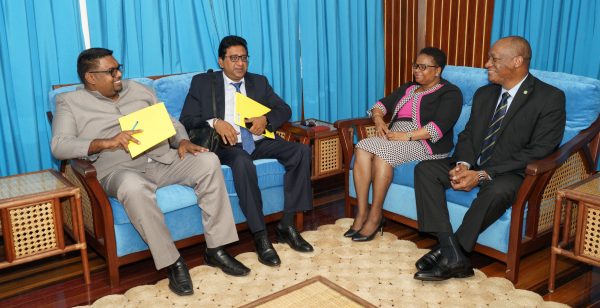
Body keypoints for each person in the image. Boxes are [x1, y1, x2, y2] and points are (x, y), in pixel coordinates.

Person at [51, 48, 251, 296]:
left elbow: (170, 120)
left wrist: (182, 141)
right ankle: (173, 263)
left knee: (208, 161)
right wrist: (105, 142)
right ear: (91, 77)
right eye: (111, 71)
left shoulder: (137, 89)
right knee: (134, 188)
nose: (119, 74)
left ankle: (216, 249)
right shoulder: (69, 102)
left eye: (118, 67)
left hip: (160, 158)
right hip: (118, 169)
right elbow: (59, 145)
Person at [413, 36, 566, 281]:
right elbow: (469, 134)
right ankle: (451, 250)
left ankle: (452, 252)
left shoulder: (549, 98)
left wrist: (482, 174)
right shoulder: (485, 93)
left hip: (512, 172)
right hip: (474, 162)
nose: (486, 64)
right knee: (426, 170)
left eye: (494, 59)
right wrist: (462, 164)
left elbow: (541, 149)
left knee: (496, 191)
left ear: (517, 61)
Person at [180, 35, 314, 268]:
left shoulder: (258, 82)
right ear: (221, 61)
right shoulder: (203, 82)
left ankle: (287, 225)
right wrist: (215, 122)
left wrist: (266, 119)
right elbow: (187, 119)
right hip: (225, 146)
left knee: (300, 151)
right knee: (242, 161)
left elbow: (284, 109)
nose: (240, 63)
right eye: (233, 58)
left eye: (243, 58)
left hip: (257, 142)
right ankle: (261, 236)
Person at [345, 47, 463, 242]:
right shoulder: (408, 88)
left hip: (424, 142)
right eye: (416, 65)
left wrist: (406, 136)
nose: (417, 70)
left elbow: (438, 127)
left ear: (438, 70)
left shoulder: (450, 93)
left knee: (384, 154)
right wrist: (378, 119)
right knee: (362, 147)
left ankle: (375, 217)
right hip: (395, 135)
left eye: (423, 67)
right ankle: (362, 213)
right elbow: (381, 105)